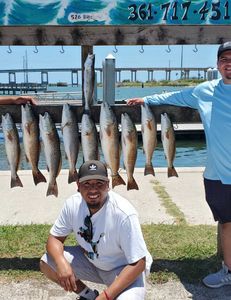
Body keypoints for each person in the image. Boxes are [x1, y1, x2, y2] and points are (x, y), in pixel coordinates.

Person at [127, 41, 231, 288]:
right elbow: (174, 96)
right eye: (225, 59)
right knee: (227, 223)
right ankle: (229, 270)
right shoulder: (204, 91)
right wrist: (146, 99)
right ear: (217, 65)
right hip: (217, 174)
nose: (230, 64)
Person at [40, 160, 152, 299]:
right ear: (78, 185)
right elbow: (54, 239)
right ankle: (88, 296)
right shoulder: (72, 204)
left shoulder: (124, 213)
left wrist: (106, 296)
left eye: (99, 183)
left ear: (108, 185)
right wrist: (61, 263)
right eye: (86, 184)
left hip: (123, 270)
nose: (93, 189)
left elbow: (139, 263)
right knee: (47, 262)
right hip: (92, 263)